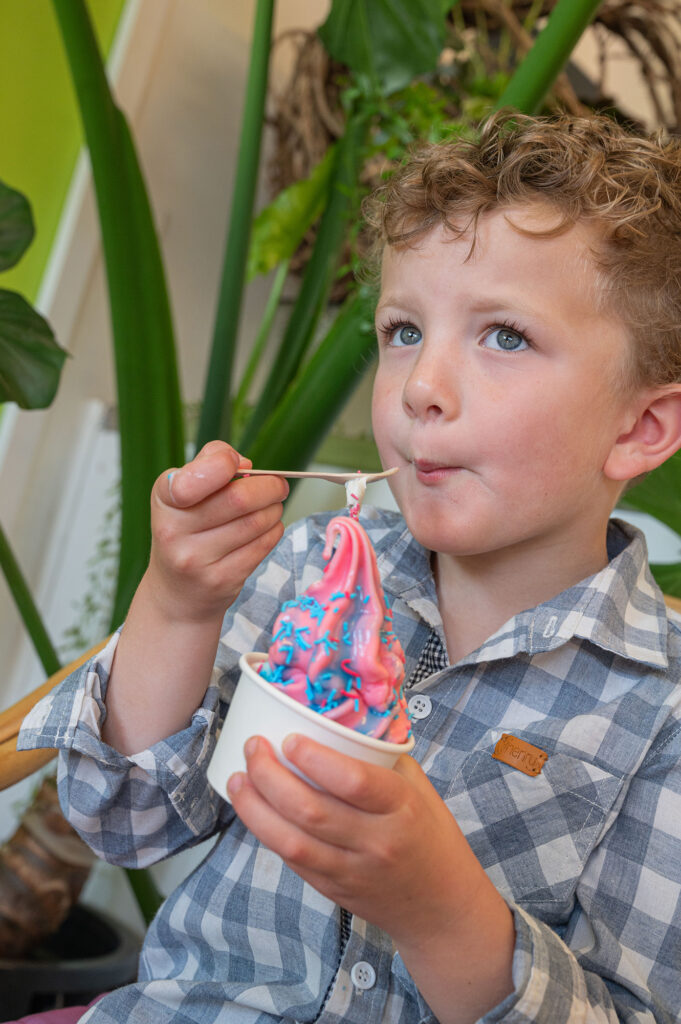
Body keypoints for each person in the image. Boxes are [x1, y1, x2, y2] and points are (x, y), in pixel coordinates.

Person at [17, 110, 681, 1024]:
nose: (418, 387)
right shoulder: (306, 570)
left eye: (505, 337)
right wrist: (176, 606)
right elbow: (126, 819)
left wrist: (439, 909)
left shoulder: (663, 712)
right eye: (403, 330)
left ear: (639, 429)